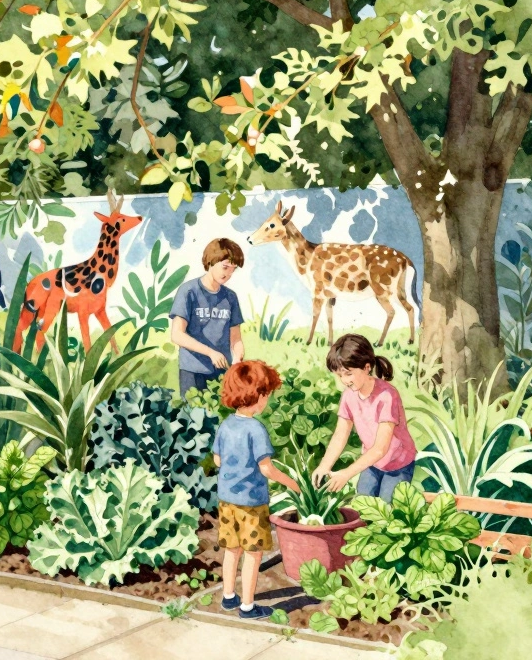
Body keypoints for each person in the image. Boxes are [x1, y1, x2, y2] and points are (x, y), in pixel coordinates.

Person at [214, 360, 299, 620]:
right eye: (268, 395)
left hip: (227, 501)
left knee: (232, 550)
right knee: (253, 554)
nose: (268, 400)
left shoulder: (226, 425)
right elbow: (266, 469)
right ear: (260, 396)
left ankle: (229, 597)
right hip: (251, 503)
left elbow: (217, 461)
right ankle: (248, 607)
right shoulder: (256, 429)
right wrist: (292, 483)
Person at [312, 334, 418, 503]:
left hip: (397, 464)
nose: (344, 381)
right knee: (363, 507)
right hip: (371, 464)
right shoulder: (349, 396)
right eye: (340, 375)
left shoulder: (387, 395)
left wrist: (347, 473)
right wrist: (325, 465)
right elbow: (340, 435)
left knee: (386, 510)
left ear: (367, 367)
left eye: (348, 374)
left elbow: (380, 449)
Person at [170, 238, 246, 397]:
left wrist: (237, 360)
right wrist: (211, 353)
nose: (229, 274)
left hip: (222, 372)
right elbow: (177, 334)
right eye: (225, 267)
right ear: (211, 261)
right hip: (192, 371)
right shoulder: (188, 291)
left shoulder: (230, 297)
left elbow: (236, 338)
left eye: (233, 269)